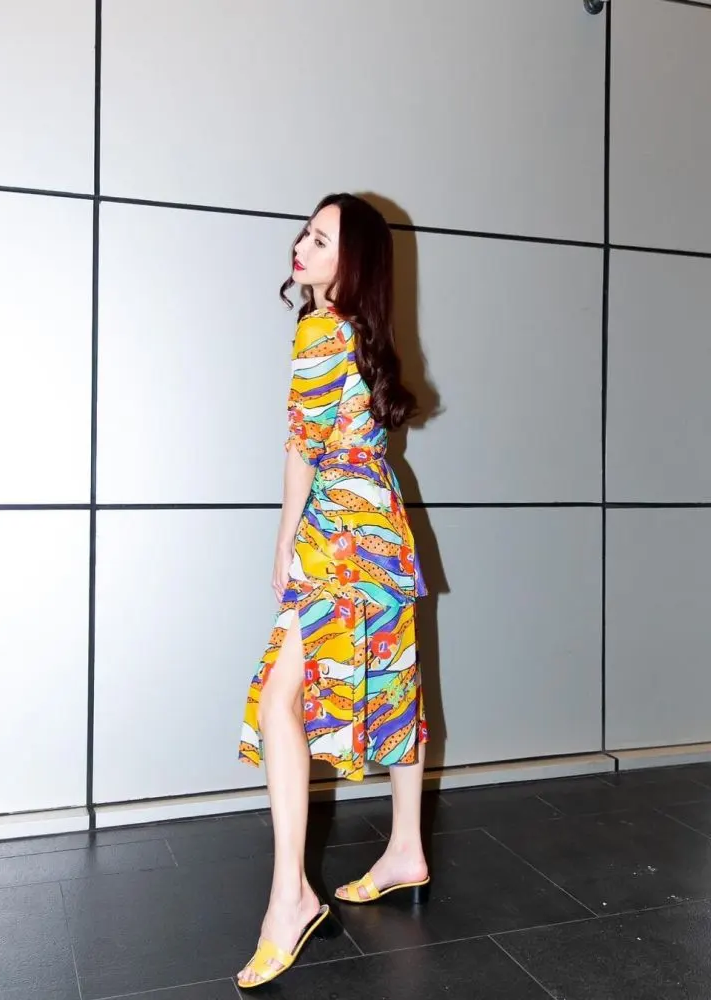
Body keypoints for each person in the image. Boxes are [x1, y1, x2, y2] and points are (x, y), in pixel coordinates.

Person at [236, 193, 430, 989]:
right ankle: (406, 849)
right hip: (384, 530)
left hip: (338, 540)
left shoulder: (321, 329)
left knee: (280, 701)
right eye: (306, 234)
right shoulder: (364, 333)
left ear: (354, 263)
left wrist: (285, 540)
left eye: (322, 240)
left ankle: (291, 897)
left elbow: (304, 449)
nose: (303, 247)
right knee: (395, 685)